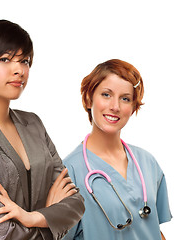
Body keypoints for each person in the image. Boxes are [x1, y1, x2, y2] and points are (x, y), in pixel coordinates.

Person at [0, 19, 85, 240]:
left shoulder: (34, 124)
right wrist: (51, 221)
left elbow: (76, 203)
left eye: (24, 61)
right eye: (5, 60)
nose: (19, 70)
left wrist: (32, 217)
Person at [62, 59, 172, 240]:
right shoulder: (70, 171)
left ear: (133, 107)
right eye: (106, 95)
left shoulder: (148, 162)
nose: (115, 107)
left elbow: (153, 229)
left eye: (125, 98)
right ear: (89, 99)